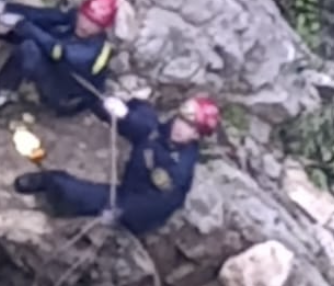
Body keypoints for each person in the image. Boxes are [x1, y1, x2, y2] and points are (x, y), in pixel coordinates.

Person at [14, 93, 221, 235]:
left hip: (130, 202)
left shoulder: (178, 169)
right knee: (140, 109)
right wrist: (117, 112)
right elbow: (145, 130)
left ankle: (48, 184)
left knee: (67, 187)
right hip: (131, 188)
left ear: (197, 135)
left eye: (190, 127)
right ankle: (88, 101)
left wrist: (122, 212)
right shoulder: (163, 132)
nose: (181, 128)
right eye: (182, 120)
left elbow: (157, 206)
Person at [0, 0, 117, 114]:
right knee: (42, 30)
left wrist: (20, 24)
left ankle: (3, 93)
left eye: (94, 24)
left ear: (103, 28)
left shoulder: (94, 50)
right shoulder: (76, 18)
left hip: (66, 97)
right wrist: (7, 8)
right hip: (58, 71)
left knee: (29, 49)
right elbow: (47, 16)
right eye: (85, 17)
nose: (85, 25)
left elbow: (57, 51)